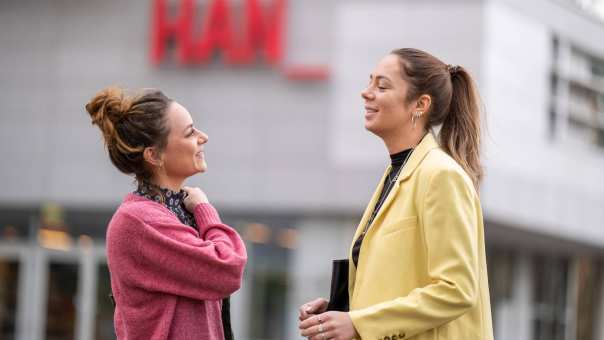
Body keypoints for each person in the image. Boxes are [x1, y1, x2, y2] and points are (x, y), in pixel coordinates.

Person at [298, 48, 493, 340]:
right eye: (369, 82)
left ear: (420, 104)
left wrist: (360, 323)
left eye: (382, 85)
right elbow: (397, 283)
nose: (366, 93)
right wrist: (343, 311)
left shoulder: (441, 175)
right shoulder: (396, 175)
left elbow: (457, 289)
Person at [85, 86, 247, 340]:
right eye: (190, 132)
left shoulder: (177, 211)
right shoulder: (138, 221)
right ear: (154, 155)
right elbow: (228, 268)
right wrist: (206, 211)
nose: (203, 137)